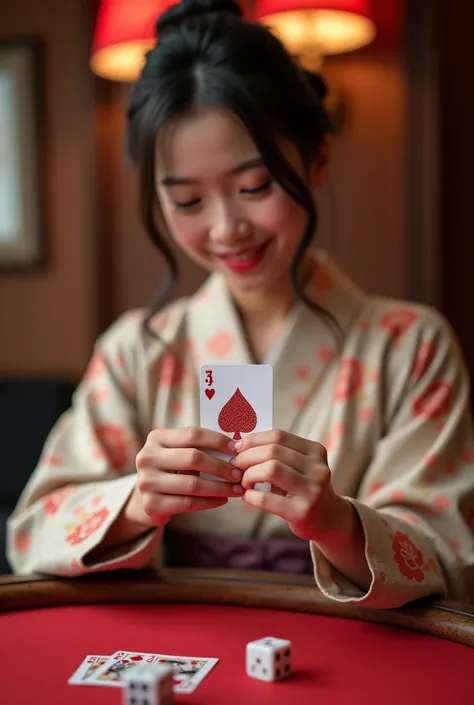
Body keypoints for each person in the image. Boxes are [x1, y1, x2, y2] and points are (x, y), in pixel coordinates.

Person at [7, 0, 474, 608]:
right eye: (188, 201)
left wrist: (335, 522)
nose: (228, 227)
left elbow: (448, 555)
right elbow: (32, 531)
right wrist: (136, 502)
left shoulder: (411, 345)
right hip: (182, 640)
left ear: (318, 159)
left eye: (255, 187)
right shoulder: (135, 350)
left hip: (355, 644)